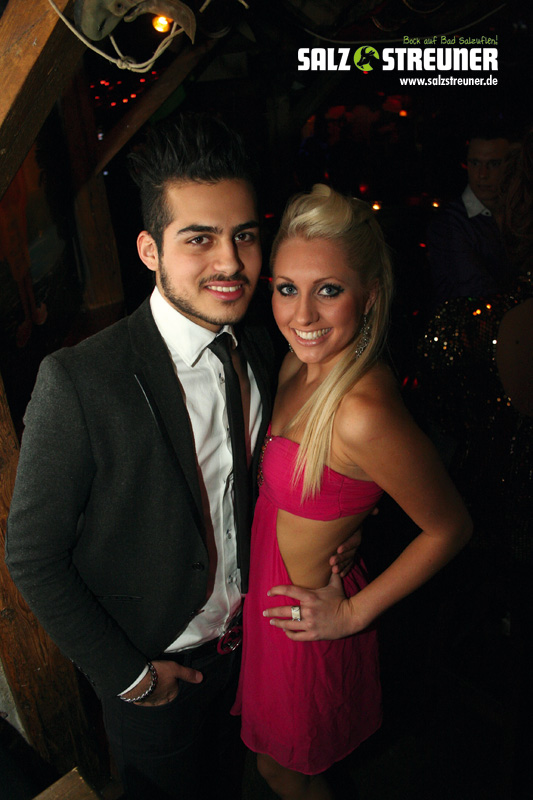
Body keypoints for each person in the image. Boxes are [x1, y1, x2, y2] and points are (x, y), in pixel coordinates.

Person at [4, 115, 357, 800]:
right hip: (155, 672)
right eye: (199, 239)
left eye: (244, 236)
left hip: (255, 651)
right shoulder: (81, 381)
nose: (230, 263)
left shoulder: (264, 343)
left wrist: (339, 534)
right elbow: (32, 556)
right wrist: (130, 677)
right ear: (149, 250)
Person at [231, 184, 473, 800]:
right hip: (273, 606)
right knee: (275, 765)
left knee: (285, 772)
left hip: (309, 623)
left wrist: (352, 614)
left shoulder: (361, 410)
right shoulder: (299, 363)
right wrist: (351, 517)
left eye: (329, 290)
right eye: (288, 288)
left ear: (370, 295)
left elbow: (450, 527)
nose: (302, 316)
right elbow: (333, 485)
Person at [427, 125, 511, 306]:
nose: (482, 174)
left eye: (494, 164)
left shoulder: (518, 213)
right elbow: (474, 291)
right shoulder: (449, 223)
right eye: (475, 163)